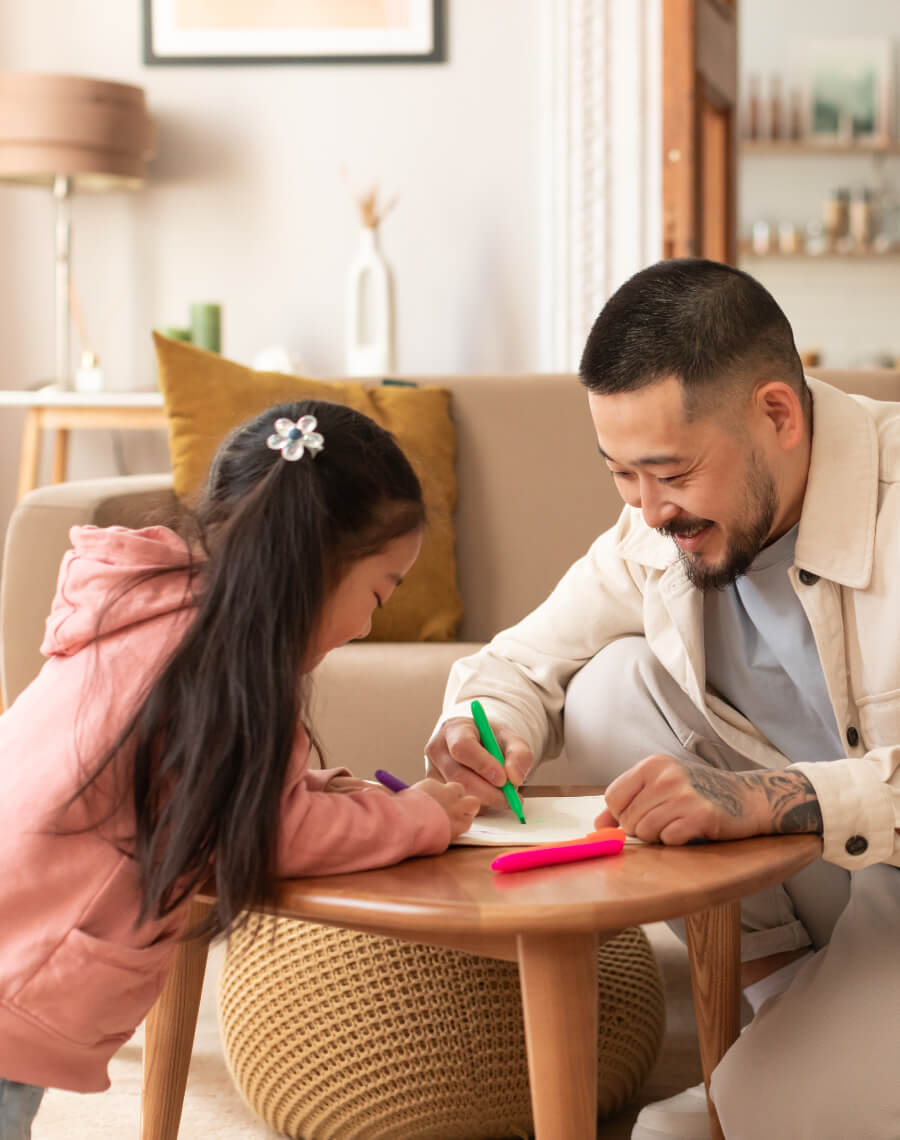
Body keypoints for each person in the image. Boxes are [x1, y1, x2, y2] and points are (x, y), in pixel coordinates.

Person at [425, 259, 900, 1140]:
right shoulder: (663, 525)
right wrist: (479, 729)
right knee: (609, 682)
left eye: (669, 472)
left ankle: (787, 1070)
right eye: (620, 475)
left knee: (717, 1125)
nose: (647, 511)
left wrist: (769, 799)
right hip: (823, 891)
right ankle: (785, 1019)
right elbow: (526, 660)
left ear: (778, 415)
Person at [0, 399, 479, 1138]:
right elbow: (269, 833)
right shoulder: (224, 668)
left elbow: (194, 785)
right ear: (317, 562)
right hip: (20, 982)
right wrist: (420, 816)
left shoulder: (153, 611)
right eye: (380, 591)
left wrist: (325, 789)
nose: (368, 625)